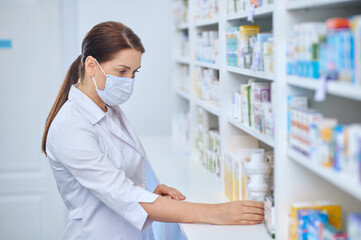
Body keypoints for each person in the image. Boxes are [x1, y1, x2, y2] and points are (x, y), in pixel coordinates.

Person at [41, 21, 264, 240]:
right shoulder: (71, 127)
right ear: (91, 66)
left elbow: (119, 180)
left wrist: (149, 195)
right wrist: (215, 213)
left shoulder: (109, 109)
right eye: (122, 71)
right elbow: (121, 194)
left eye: (134, 73)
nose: (129, 81)